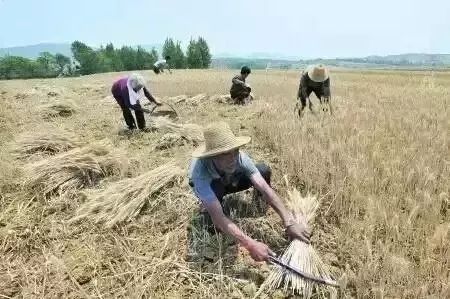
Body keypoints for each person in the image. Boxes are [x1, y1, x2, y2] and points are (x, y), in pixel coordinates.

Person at [188, 122, 311, 262]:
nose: (232, 159)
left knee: (263, 170)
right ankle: (209, 206)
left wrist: (289, 222)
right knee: (212, 217)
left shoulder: (240, 158)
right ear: (212, 156)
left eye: (235, 151)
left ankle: (258, 200)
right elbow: (219, 218)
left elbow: (265, 188)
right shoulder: (200, 174)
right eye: (225, 154)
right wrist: (250, 244)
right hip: (215, 186)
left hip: (232, 179)